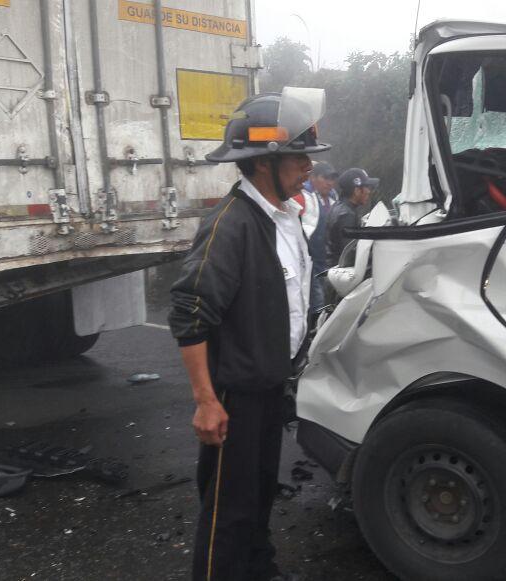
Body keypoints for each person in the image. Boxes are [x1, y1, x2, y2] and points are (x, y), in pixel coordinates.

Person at [169, 88, 330, 581]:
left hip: (266, 389)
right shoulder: (230, 224)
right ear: (265, 163)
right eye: (299, 157)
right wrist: (205, 401)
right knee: (228, 510)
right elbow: (190, 310)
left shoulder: (283, 218)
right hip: (234, 396)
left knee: (259, 495)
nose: (308, 167)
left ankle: (259, 571)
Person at [290, 161, 339, 314]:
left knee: (330, 302)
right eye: (326, 178)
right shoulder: (301, 197)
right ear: (313, 178)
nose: (330, 183)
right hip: (312, 261)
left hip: (329, 261)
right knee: (316, 304)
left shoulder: (333, 198)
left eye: (332, 179)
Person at [326, 167, 379, 266]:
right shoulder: (346, 215)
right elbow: (350, 254)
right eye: (367, 187)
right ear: (357, 191)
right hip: (340, 274)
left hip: (334, 270)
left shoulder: (338, 206)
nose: (369, 191)